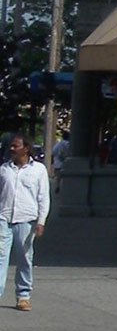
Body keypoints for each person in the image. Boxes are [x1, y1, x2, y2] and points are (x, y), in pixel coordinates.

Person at [0, 133, 49, 311]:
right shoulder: (4, 169)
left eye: (15, 146)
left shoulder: (38, 170)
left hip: (26, 220)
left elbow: (44, 198)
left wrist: (41, 221)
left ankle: (23, 296)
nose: (11, 149)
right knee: (0, 257)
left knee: (24, 258)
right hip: (3, 218)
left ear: (26, 148)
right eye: (11, 146)